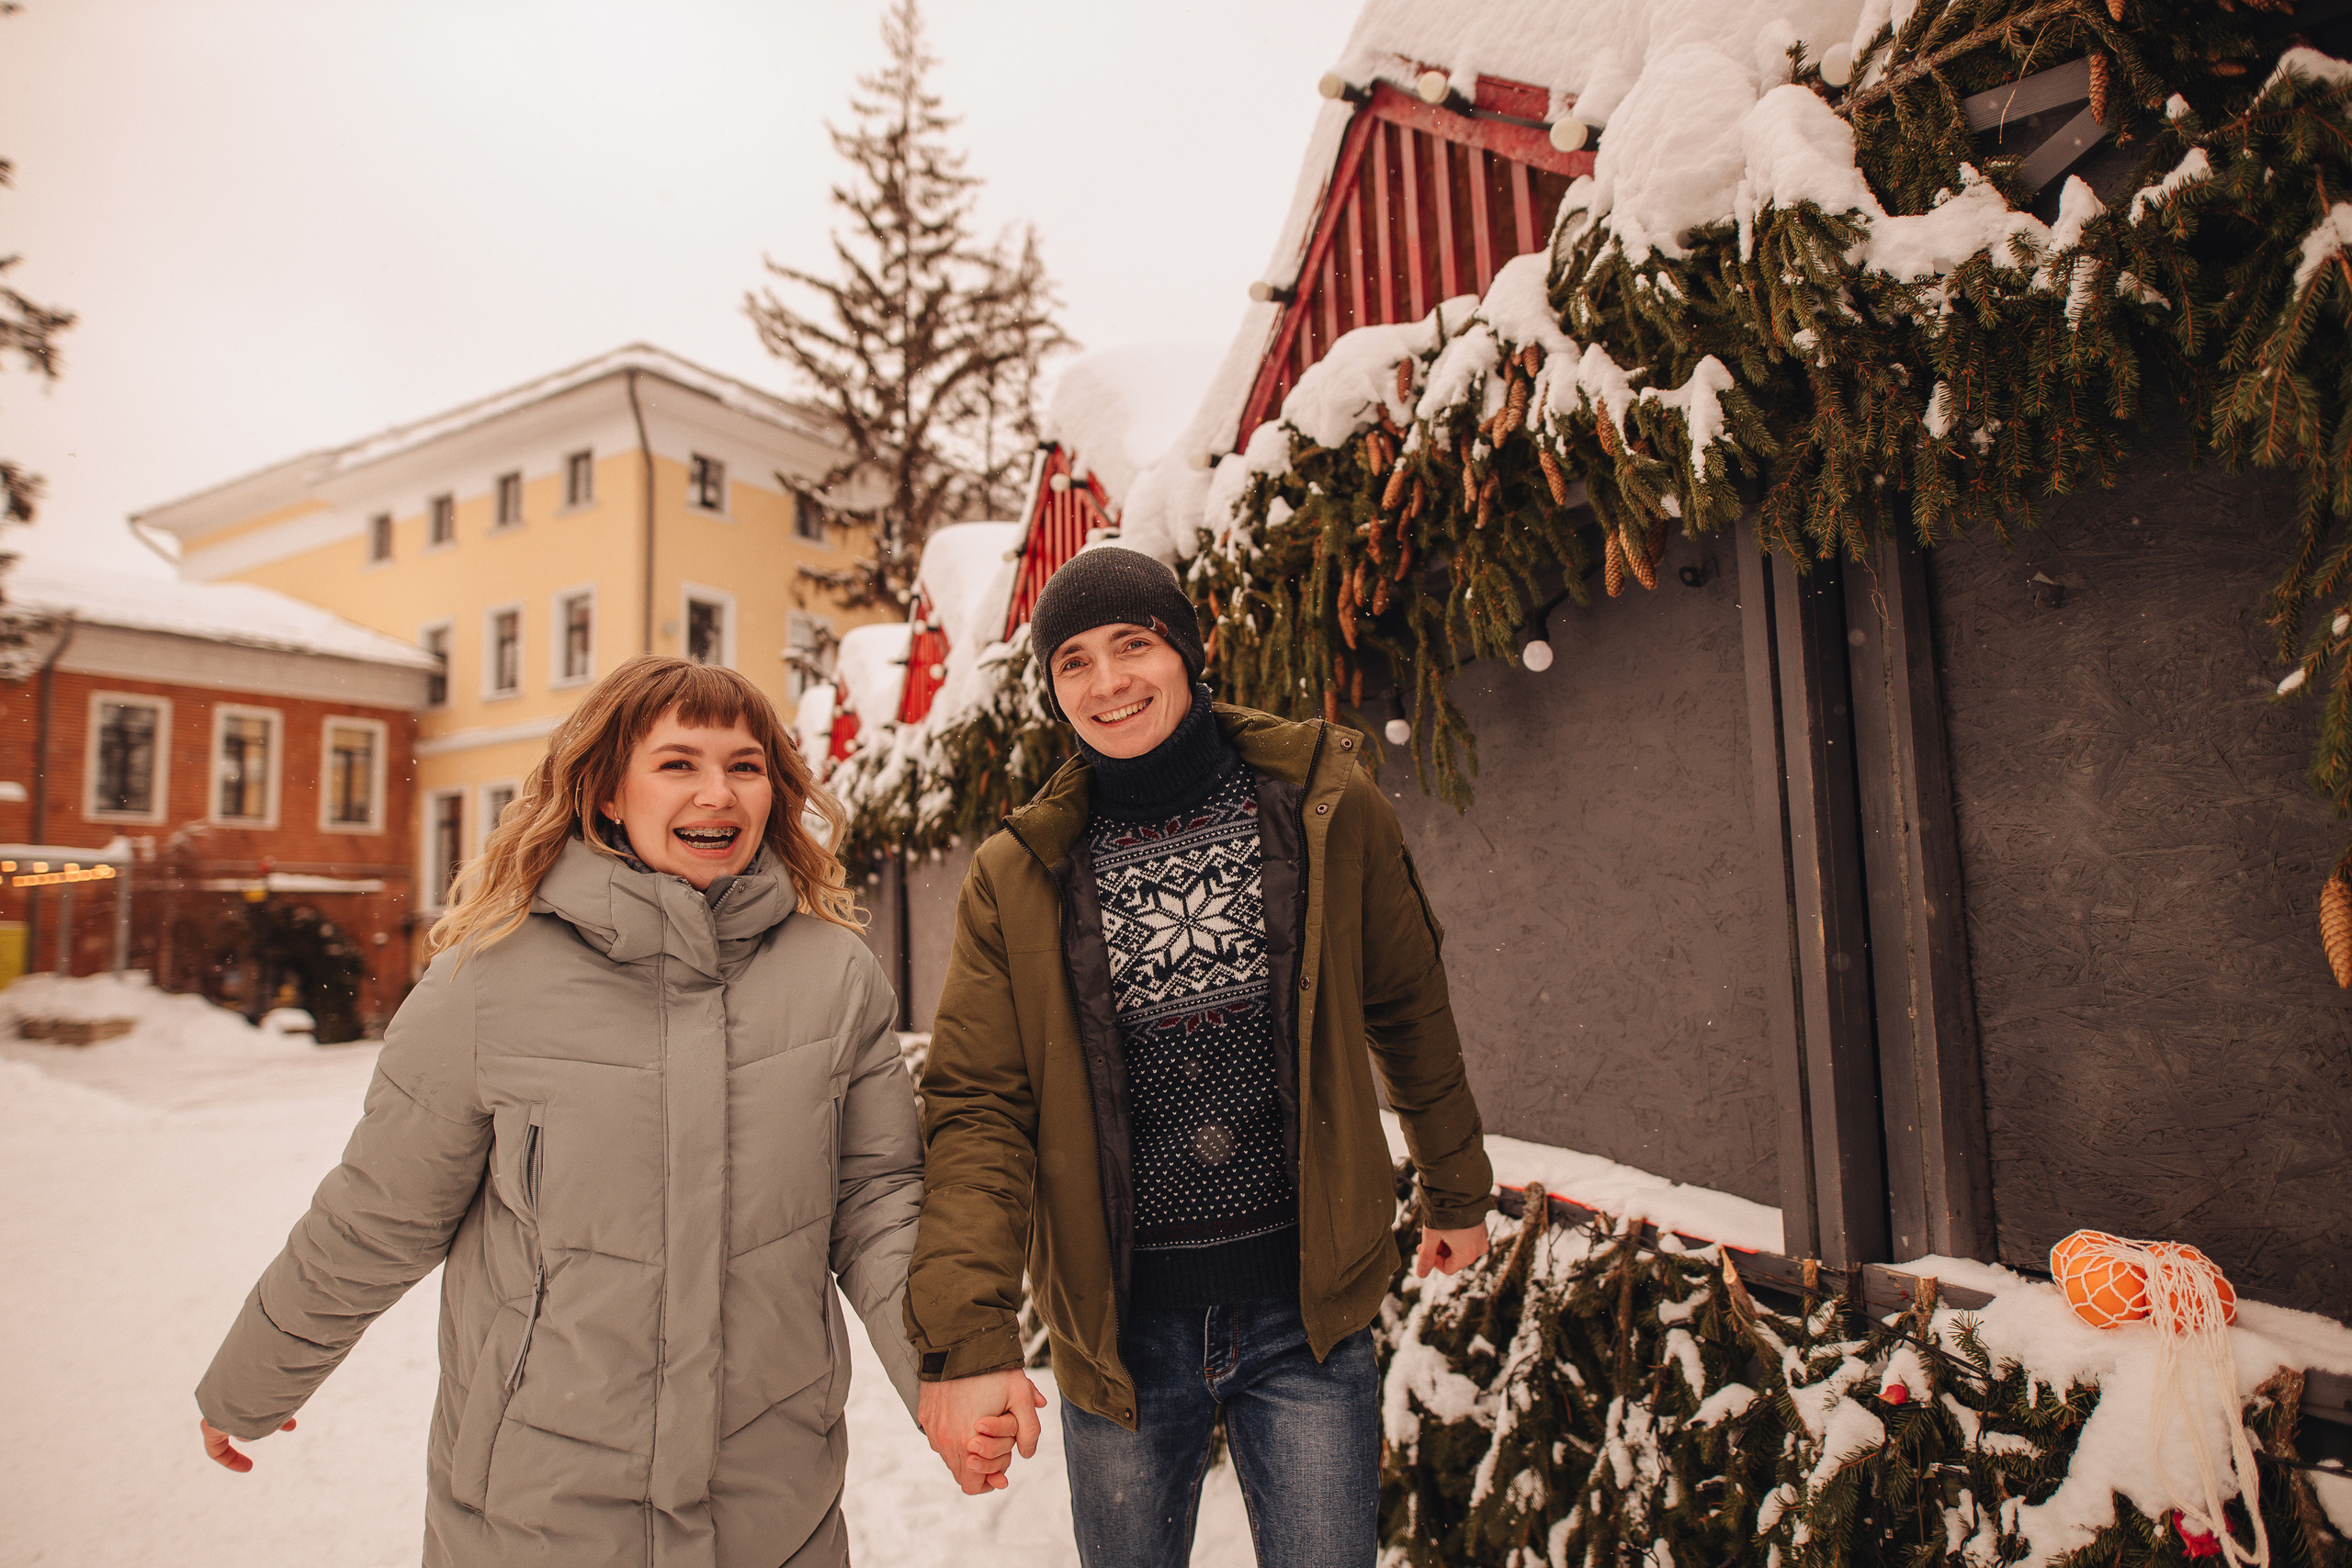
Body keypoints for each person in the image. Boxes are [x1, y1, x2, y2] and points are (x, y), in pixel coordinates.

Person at [193, 656, 923, 1568]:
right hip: (537, 1516)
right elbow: (376, 1216)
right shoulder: (486, 985)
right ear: (609, 792)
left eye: (745, 766)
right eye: (677, 763)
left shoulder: (834, 976)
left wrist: (950, 1375)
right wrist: (253, 1383)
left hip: (775, 1514)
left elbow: (879, 1203)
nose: (719, 793)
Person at [904, 547, 1496, 1566]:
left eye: (1133, 646)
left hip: (1304, 1314)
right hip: (1121, 1333)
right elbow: (979, 1110)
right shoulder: (1017, 874)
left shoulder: (1323, 806)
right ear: (1052, 689)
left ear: (1187, 649)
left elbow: (1406, 1004)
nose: (1108, 683)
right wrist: (968, 1333)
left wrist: (1455, 1187)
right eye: (1074, 663)